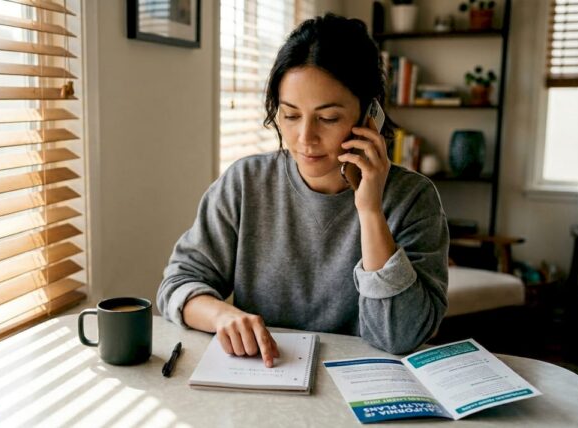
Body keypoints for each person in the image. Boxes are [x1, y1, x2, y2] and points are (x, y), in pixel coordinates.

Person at [157, 13, 448, 367]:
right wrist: (222, 316)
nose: (305, 139)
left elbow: (400, 335)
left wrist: (370, 210)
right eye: (291, 115)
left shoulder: (414, 199)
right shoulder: (245, 183)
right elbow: (178, 284)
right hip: (267, 378)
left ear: (370, 115)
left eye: (328, 118)